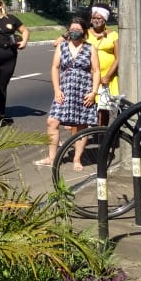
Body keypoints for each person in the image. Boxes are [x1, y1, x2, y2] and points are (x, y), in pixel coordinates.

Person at [37, 16, 101, 169]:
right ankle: (52, 157)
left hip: (83, 91)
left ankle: (77, 159)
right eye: (72, 29)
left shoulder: (90, 48)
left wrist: (93, 92)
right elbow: (55, 68)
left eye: (78, 29)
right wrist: (57, 89)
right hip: (64, 90)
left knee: (81, 126)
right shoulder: (62, 47)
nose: (75, 32)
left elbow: (96, 71)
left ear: (84, 31)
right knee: (52, 122)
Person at [87, 5, 120, 125]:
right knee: (89, 106)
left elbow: (118, 57)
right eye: (94, 18)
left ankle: (103, 134)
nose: (96, 20)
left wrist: (108, 76)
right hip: (90, 76)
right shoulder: (86, 34)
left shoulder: (113, 35)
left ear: (105, 20)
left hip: (107, 78)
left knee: (103, 109)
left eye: (99, 18)